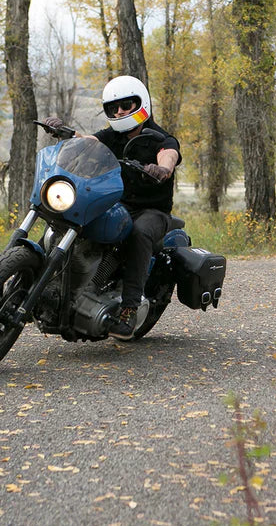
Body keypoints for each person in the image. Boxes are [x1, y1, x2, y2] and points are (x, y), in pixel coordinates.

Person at [43, 75, 181, 340]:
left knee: (139, 232)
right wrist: (65, 133)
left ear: (141, 103)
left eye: (126, 105)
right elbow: (89, 142)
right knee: (70, 214)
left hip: (151, 212)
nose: (119, 111)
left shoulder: (160, 138)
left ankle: (129, 307)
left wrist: (162, 168)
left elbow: (169, 153)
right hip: (116, 205)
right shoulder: (112, 135)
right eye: (114, 107)